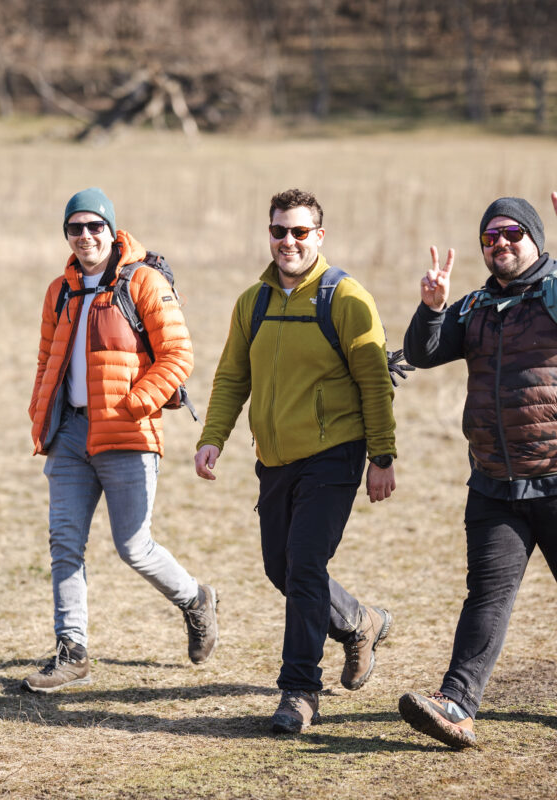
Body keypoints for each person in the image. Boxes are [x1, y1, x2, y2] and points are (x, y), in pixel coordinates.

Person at [398, 187, 557, 747]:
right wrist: (432, 307)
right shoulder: (478, 306)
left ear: (535, 239)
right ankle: (456, 702)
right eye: (490, 237)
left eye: (512, 234)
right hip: (494, 482)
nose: (500, 244)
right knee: (486, 593)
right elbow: (425, 352)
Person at [194, 188, 397, 734]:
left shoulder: (347, 299)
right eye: (279, 231)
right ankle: (359, 622)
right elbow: (233, 376)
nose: (288, 241)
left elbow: (375, 384)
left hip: (335, 454)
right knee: (280, 569)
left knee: (305, 566)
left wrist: (382, 455)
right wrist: (214, 436)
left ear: (319, 237)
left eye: (300, 232)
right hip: (275, 458)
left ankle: (300, 691)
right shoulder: (253, 301)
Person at [23, 187, 219, 693]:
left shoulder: (144, 283)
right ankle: (72, 654)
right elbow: (47, 359)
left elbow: (178, 355)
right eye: (75, 228)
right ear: (66, 234)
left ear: (112, 230)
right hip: (70, 436)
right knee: (65, 544)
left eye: (95, 227)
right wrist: (41, 415)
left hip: (129, 434)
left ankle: (196, 599)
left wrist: (133, 404)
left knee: (133, 546)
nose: (86, 236)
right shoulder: (59, 291)